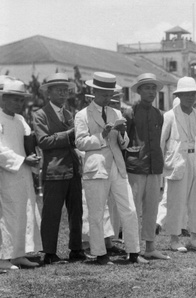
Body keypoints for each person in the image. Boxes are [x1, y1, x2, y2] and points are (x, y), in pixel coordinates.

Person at [74, 72, 146, 265]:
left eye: (110, 94)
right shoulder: (82, 115)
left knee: (129, 209)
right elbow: (80, 143)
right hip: (96, 167)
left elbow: (123, 144)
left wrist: (122, 134)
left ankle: (133, 252)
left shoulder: (116, 113)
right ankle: (100, 253)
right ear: (94, 91)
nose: (108, 98)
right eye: (104, 94)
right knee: (96, 212)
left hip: (117, 166)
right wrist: (101, 135)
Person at [32, 73, 85, 264]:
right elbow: (44, 141)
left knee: (76, 211)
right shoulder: (40, 114)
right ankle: (49, 251)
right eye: (59, 90)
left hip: (72, 168)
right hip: (54, 170)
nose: (63, 93)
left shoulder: (69, 113)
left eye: (66, 90)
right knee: (52, 212)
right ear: (49, 93)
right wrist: (69, 134)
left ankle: (76, 248)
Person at [158, 77, 196, 252]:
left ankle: (195, 238)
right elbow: (161, 142)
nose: (190, 97)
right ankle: (174, 239)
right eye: (186, 94)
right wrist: (162, 165)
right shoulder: (170, 115)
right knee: (176, 202)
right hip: (178, 162)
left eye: (193, 94)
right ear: (178, 95)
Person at [125, 73, 169, 260]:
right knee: (133, 209)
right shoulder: (129, 112)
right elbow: (124, 139)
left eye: (153, 88)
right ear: (139, 90)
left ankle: (150, 247)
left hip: (154, 166)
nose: (151, 92)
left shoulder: (159, 114)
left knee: (152, 208)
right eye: (147, 88)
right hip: (136, 165)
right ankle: (132, 250)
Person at [0, 79, 43, 269]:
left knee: (24, 212)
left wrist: (32, 156)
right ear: (3, 99)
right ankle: (3, 258)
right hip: (7, 173)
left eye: (21, 100)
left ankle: (19, 254)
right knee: (9, 213)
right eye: (14, 100)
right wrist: (21, 160)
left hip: (23, 173)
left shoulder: (20, 119)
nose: (19, 104)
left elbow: (28, 143)